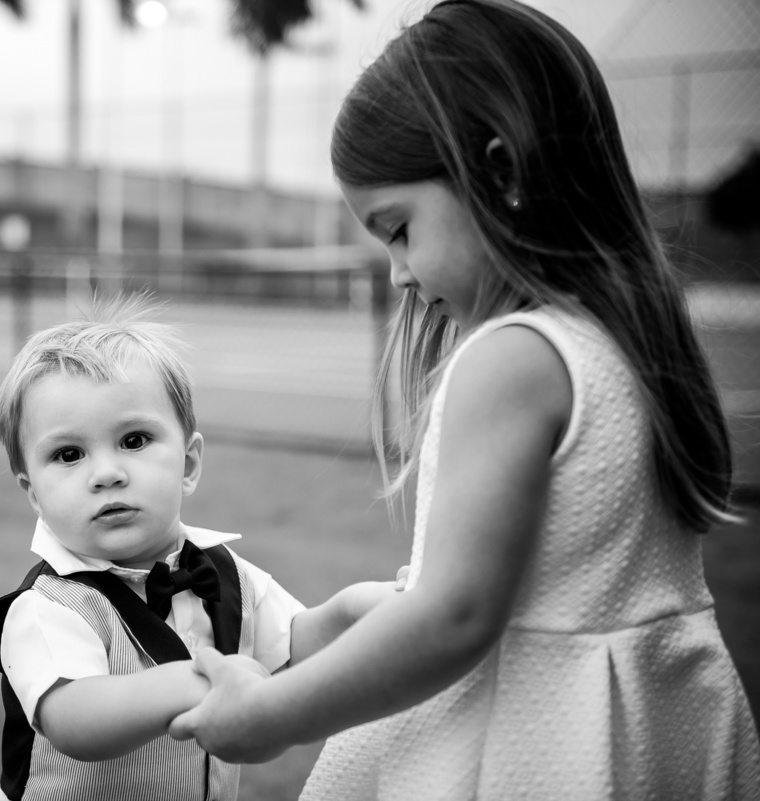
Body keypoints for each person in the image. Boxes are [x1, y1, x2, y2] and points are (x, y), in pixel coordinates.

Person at [168, 1, 760, 798]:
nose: (397, 274)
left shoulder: (513, 358)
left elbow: (451, 616)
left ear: (501, 172)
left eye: (399, 228)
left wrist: (273, 713)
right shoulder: (632, 340)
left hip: (525, 750)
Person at [0, 296, 403, 801]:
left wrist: (352, 611)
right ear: (33, 493)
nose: (107, 473)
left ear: (189, 464)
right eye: (68, 454)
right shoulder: (47, 607)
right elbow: (72, 718)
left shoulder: (225, 574)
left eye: (134, 440)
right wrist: (196, 682)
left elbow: (291, 647)